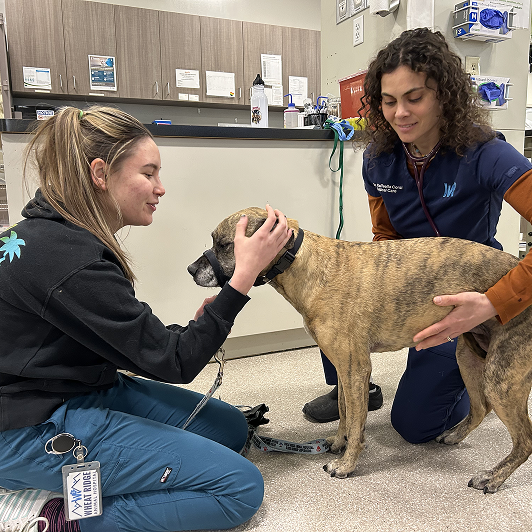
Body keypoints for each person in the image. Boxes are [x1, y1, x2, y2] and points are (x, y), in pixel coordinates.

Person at [0, 105, 293, 532]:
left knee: (230, 429)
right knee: (237, 489)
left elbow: (140, 344)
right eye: (149, 173)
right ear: (100, 174)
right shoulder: (69, 260)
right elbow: (174, 363)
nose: (160, 188)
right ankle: (50, 517)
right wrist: (243, 276)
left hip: (76, 387)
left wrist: (204, 324)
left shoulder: (56, 235)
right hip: (27, 425)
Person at [303, 27, 532, 443]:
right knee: (334, 300)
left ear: (443, 95)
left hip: (470, 299)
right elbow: (384, 237)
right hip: (410, 292)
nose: (400, 113)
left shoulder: (487, 153)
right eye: (389, 101)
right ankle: (354, 386)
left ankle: (470, 378)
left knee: (415, 426)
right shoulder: (378, 160)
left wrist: (491, 303)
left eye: (415, 98)